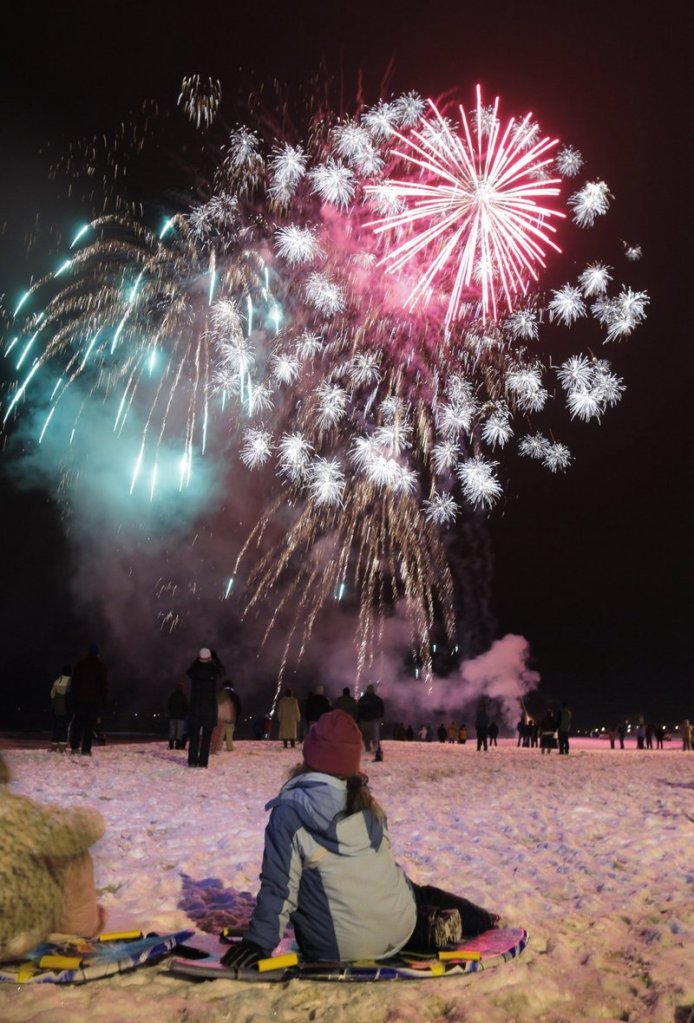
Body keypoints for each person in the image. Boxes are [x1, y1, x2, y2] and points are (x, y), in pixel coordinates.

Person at [220, 710, 498, 972]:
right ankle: (472, 921)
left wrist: (258, 943)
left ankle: (412, 924)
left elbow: (279, 888)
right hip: (399, 929)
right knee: (414, 891)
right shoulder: (368, 806)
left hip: (334, 947)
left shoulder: (290, 811)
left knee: (308, 874)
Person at [0, 753, 106, 961]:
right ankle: (74, 931)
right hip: (13, 936)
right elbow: (87, 826)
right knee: (71, 849)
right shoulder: (14, 811)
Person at [186, 648, 223, 768]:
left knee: (194, 737)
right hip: (209, 709)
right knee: (206, 739)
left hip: (195, 708)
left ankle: (192, 761)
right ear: (209, 658)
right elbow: (222, 670)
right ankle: (203, 762)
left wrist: (198, 660)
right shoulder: (213, 670)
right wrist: (215, 659)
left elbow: (189, 671)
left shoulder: (195, 670)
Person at [69, 644, 108, 757]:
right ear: (98, 653)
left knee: (77, 724)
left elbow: (74, 684)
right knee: (89, 727)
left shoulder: (80, 665)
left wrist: (73, 699)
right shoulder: (101, 667)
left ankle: (75, 747)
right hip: (94, 702)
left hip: (80, 701)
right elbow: (103, 687)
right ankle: (86, 749)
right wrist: (103, 704)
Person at [357, 684, 385, 762]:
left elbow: (358, 709)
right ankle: (376, 751)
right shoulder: (377, 699)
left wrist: (359, 719)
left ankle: (367, 748)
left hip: (364, 720)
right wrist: (380, 716)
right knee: (375, 736)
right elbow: (381, 709)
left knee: (366, 736)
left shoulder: (362, 699)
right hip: (374, 720)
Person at [49, 665, 71, 752]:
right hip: (67, 709)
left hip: (57, 709)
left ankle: (54, 746)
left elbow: (52, 695)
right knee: (64, 728)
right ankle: (62, 747)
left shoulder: (57, 681)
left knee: (56, 727)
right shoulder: (71, 682)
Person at [167, 681, 189, 750]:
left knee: (172, 732)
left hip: (173, 716)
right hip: (181, 717)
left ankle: (171, 746)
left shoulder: (173, 696)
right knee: (179, 732)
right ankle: (177, 746)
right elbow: (186, 706)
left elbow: (169, 706)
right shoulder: (183, 696)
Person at [222, 682, 242, 751]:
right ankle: (229, 747)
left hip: (221, 717)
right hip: (231, 718)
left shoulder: (220, 695)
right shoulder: (235, 696)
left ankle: (217, 747)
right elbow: (239, 709)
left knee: (219, 733)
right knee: (229, 734)